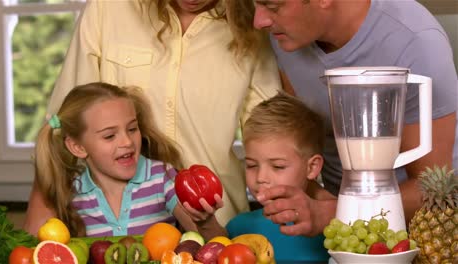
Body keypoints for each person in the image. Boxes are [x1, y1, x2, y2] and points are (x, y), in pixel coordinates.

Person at [23, 0, 282, 232]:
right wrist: (36, 222)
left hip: (216, 223)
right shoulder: (107, 8)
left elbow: (276, 138)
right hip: (111, 230)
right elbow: (65, 125)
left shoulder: (254, 23)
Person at [227, 0, 458, 237]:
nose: (259, 21)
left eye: (273, 6)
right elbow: (303, 143)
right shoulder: (285, 37)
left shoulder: (415, 42)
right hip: (341, 227)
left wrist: (332, 214)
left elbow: (433, 191)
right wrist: (318, 206)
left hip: (422, 234)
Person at [29, 82, 226, 239]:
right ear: (78, 147)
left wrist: (205, 223)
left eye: (132, 129)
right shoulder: (72, 192)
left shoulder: (162, 178)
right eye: (109, 136)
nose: (127, 141)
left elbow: (213, 247)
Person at [226, 93, 331, 262]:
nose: (261, 177)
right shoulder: (238, 226)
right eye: (252, 165)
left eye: (277, 166)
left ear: (311, 167)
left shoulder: (334, 224)